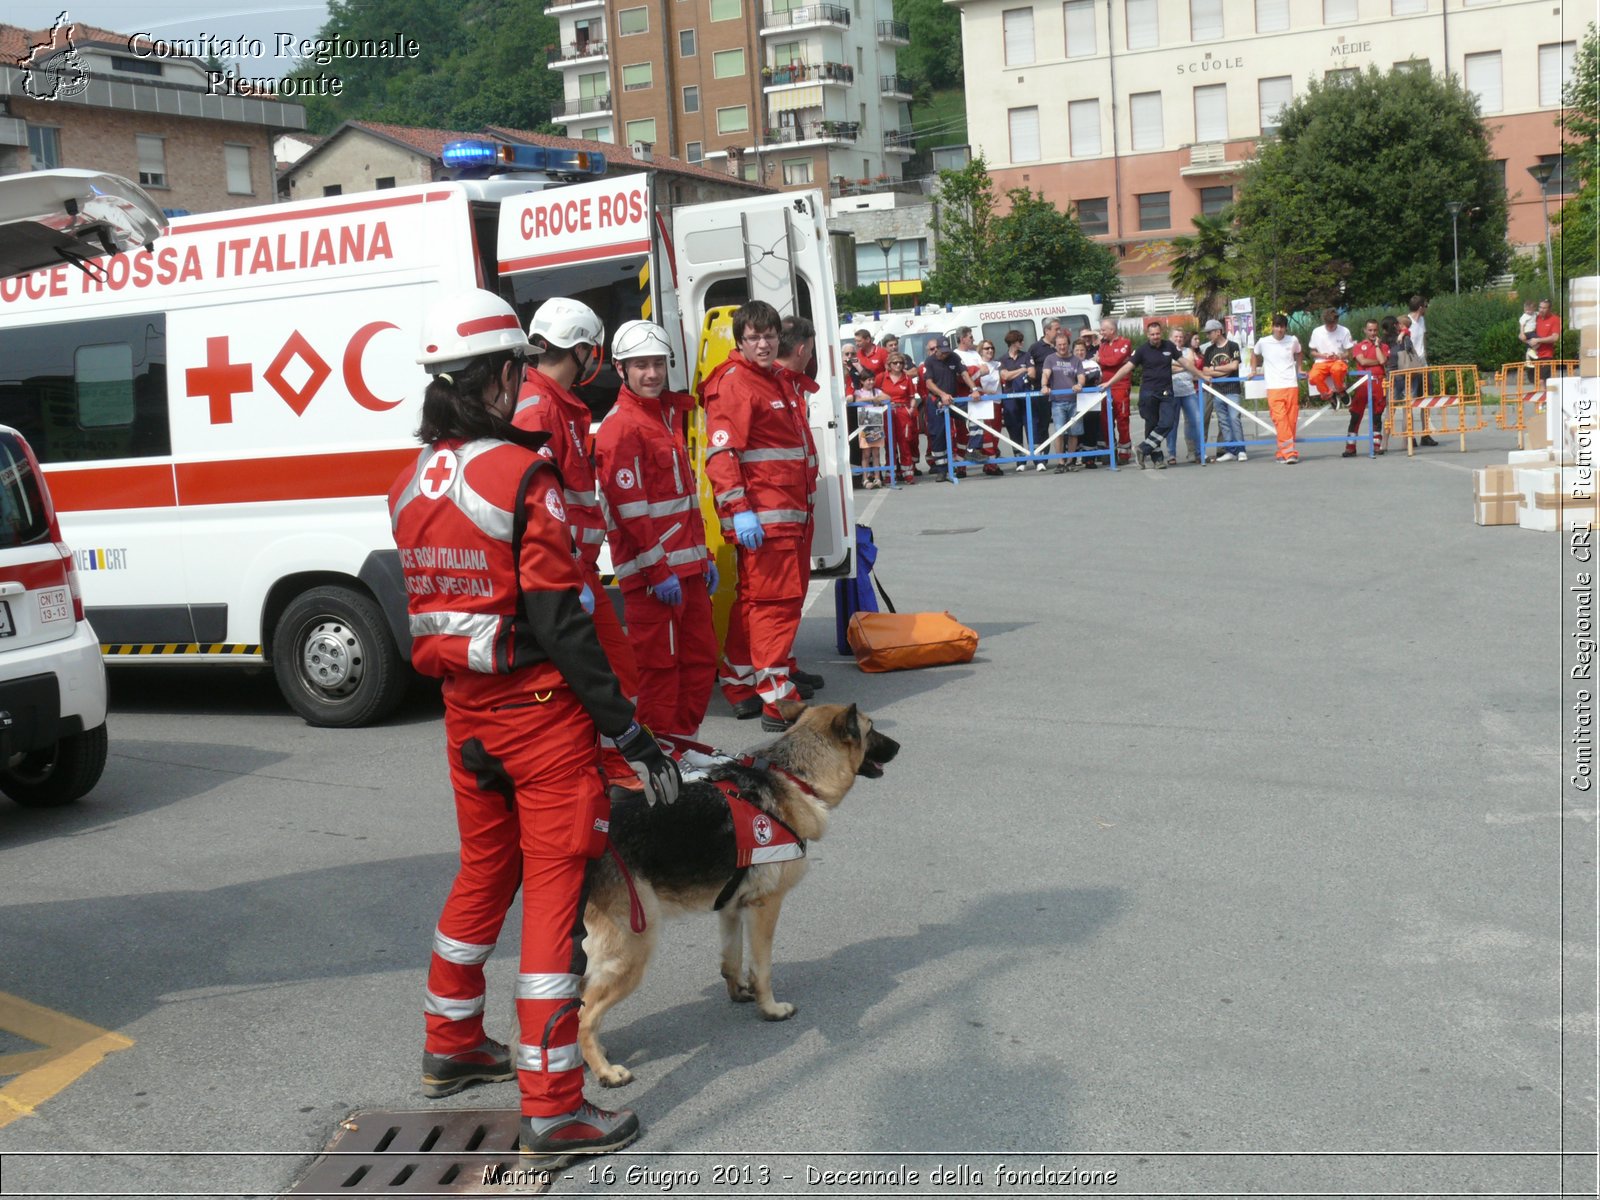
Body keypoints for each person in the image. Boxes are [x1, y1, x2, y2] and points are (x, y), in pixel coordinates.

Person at [393, 289, 679, 1170]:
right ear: (501, 375)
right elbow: (560, 618)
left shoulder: (409, 483)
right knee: (555, 902)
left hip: (464, 718)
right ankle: (554, 1107)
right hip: (540, 718)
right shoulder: (521, 477)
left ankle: (451, 1040)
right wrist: (627, 731)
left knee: (485, 873)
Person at [515, 298, 642, 797]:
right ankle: (606, 761)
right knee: (603, 670)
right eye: (593, 350)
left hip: (578, 569)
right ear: (584, 349)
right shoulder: (539, 407)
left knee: (615, 668)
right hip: (564, 571)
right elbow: (532, 502)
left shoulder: (558, 404)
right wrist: (567, 569)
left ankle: (612, 757)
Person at [593, 320, 717, 739]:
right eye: (640, 365)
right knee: (660, 674)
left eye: (658, 363)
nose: (652, 373)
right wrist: (658, 570)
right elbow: (631, 514)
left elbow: (682, 504)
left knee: (700, 663)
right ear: (621, 369)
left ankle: (684, 747)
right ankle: (660, 759)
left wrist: (704, 556)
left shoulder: (666, 417)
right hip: (653, 579)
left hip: (688, 572)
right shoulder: (620, 428)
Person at [702, 300, 817, 731]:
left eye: (770, 335)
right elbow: (722, 454)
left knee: (754, 602)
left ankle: (739, 679)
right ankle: (776, 699)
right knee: (774, 605)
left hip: (785, 514)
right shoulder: (737, 383)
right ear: (741, 341)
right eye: (755, 337)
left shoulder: (771, 380)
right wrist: (740, 511)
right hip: (766, 518)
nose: (765, 343)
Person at [1104, 319, 1204, 469]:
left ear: (1161, 333)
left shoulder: (1169, 346)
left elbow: (1186, 363)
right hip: (1148, 393)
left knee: (1168, 423)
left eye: (1157, 334)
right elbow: (1126, 368)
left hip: (1166, 392)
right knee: (1151, 425)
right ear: (1147, 334)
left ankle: (1143, 448)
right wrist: (1109, 383)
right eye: (1152, 334)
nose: (1155, 337)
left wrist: (1202, 375)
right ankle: (1157, 459)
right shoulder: (1142, 350)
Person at [1252, 313, 1304, 464]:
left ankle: (1282, 452)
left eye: (1282, 327)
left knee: (1291, 421)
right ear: (1272, 327)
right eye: (1276, 326)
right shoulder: (1264, 342)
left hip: (1291, 385)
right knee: (1280, 420)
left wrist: (1300, 369)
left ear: (1285, 328)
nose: (1279, 330)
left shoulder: (1292, 340)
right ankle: (1290, 453)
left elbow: (1299, 353)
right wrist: (1254, 370)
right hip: (1274, 386)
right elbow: (1254, 354)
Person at [921, 335, 972, 479]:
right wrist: (942, 395)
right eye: (942, 351)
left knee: (973, 416)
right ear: (936, 349)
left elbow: (964, 373)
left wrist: (974, 389)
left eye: (946, 351)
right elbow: (929, 384)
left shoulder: (954, 357)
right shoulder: (930, 361)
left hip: (953, 401)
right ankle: (942, 469)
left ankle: (974, 448)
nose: (944, 354)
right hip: (936, 400)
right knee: (938, 434)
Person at [1199, 319, 1246, 462]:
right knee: (1223, 421)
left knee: (1234, 419)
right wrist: (1220, 370)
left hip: (1232, 390)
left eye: (1209, 333)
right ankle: (1230, 450)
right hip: (1217, 391)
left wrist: (1215, 370)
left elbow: (1234, 366)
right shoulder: (1209, 350)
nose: (1208, 336)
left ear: (1218, 332)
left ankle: (1241, 450)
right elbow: (1205, 370)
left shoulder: (1233, 346)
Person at [1040, 330, 1085, 473]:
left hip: (1074, 401)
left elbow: (1081, 376)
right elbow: (1046, 373)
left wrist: (1080, 384)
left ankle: (1070, 461)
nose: (1062, 347)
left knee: (1074, 432)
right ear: (1055, 345)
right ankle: (1060, 462)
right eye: (1059, 345)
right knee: (1059, 432)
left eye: (1064, 344)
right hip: (1058, 402)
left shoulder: (1075, 360)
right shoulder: (1050, 359)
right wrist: (1044, 385)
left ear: (1068, 345)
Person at [1345, 317, 1388, 457]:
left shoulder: (1383, 346)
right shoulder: (1358, 346)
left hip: (1378, 383)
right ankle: (1350, 447)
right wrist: (1377, 362)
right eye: (1370, 330)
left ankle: (1376, 445)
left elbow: (1383, 360)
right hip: (1363, 383)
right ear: (1365, 330)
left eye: (1375, 330)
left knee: (1377, 415)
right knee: (1356, 414)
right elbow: (1362, 361)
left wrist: (1376, 347)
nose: (1373, 333)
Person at [1095, 317, 1135, 464]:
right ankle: (1110, 450)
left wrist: (1101, 360)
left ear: (1112, 330)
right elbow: (1108, 362)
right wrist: (1104, 360)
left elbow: (1114, 361)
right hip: (1105, 388)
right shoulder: (1103, 345)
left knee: (1122, 419)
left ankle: (1124, 453)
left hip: (1121, 387)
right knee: (1106, 420)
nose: (1101, 333)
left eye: (1103, 330)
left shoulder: (1125, 342)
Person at [878, 349, 920, 484]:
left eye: (900, 363)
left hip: (903, 412)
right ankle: (891, 474)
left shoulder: (906, 378)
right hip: (887, 412)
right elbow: (872, 391)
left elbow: (912, 398)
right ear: (889, 364)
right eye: (895, 363)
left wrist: (910, 409)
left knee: (904, 443)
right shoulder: (882, 377)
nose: (898, 365)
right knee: (889, 443)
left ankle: (908, 474)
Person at [998, 329, 1036, 472]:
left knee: (1030, 426)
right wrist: (1021, 371)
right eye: (1020, 341)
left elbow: (1032, 373)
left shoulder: (1026, 355)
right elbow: (1005, 376)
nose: (1023, 343)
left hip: (1026, 395)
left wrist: (1023, 371)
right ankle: (1019, 460)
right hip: (1010, 398)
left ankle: (1037, 459)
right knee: (1014, 429)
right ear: (1013, 343)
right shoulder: (1002, 359)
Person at [1167, 329, 1203, 465]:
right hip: (1172, 392)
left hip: (1188, 391)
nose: (1179, 339)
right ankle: (1171, 454)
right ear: (1170, 338)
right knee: (1172, 424)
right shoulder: (1166, 351)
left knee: (1196, 421)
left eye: (1181, 337)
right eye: (1176, 336)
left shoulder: (1189, 351)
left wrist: (1178, 365)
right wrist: (1185, 366)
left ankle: (1199, 452)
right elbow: (1167, 367)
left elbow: (1191, 364)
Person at [1028, 318, 1062, 459]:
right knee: (1043, 424)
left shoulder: (1061, 346)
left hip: (1061, 391)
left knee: (1063, 424)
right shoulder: (1035, 348)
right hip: (1042, 392)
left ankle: (1065, 455)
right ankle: (1042, 456)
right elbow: (1031, 370)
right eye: (1056, 329)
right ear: (1047, 331)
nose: (1059, 332)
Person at [1306, 308, 1352, 410]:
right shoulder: (1317, 332)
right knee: (1313, 376)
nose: (1331, 327)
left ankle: (1340, 390)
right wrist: (1323, 355)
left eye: (1333, 324)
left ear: (1337, 321)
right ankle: (1329, 395)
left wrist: (1339, 356)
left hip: (1338, 361)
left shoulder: (1344, 331)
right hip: (1322, 361)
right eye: (1328, 324)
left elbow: (1349, 353)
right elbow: (1312, 352)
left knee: (1337, 369)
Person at [972, 337, 1005, 476]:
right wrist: (984, 392)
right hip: (983, 404)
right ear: (980, 351)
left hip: (997, 402)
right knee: (987, 435)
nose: (990, 350)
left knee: (996, 433)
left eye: (991, 348)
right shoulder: (977, 365)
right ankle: (991, 464)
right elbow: (972, 384)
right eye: (986, 348)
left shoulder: (998, 364)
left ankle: (991, 461)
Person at [1408, 295, 1438, 446]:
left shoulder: (1422, 320)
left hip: (1423, 364)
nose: (1426, 308)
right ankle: (1410, 435)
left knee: (1426, 399)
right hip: (1412, 366)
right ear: (1420, 307)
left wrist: (1424, 353)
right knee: (1411, 400)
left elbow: (1423, 338)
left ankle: (1425, 434)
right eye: (1425, 305)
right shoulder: (1406, 322)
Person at [1530, 298, 1563, 382]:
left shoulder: (1555, 319)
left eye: (1544, 308)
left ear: (1549, 309)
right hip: (1533, 353)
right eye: (1540, 307)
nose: (1541, 310)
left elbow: (1555, 337)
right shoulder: (1536, 318)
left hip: (1546, 355)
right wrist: (1522, 335)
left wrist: (1538, 340)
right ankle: (1540, 394)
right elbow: (1526, 330)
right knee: (1534, 380)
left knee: (1543, 380)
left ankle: (1546, 394)